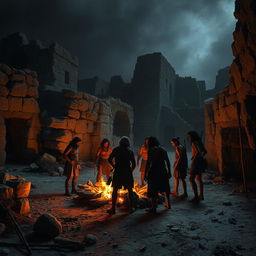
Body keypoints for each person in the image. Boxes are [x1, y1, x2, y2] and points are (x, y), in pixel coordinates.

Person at [107, 136, 136, 215]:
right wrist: (131, 170)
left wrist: (114, 166)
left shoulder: (116, 150)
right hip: (127, 172)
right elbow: (134, 164)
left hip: (118, 171)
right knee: (130, 190)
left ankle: (113, 208)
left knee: (115, 190)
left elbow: (109, 159)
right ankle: (131, 208)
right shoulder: (130, 151)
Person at [145, 136, 171, 213]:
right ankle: (168, 204)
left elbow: (148, 163)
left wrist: (146, 173)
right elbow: (167, 161)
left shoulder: (151, 150)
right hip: (163, 170)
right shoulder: (163, 149)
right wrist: (169, 171)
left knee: (153, 189)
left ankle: (153, 207)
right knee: (165, 187)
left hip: (154, 171)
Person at [187, 131, 207, 202]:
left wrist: (194, 158)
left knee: (191, 179)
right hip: (200, 162)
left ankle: (196, 196)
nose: (188, 138)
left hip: (196, 163)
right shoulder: (199, 142)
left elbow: (198, 152)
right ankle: (201, 195)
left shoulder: (194, 143)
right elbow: (204, 151)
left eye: (189, 136)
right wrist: (201, 158)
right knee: (198, 179)